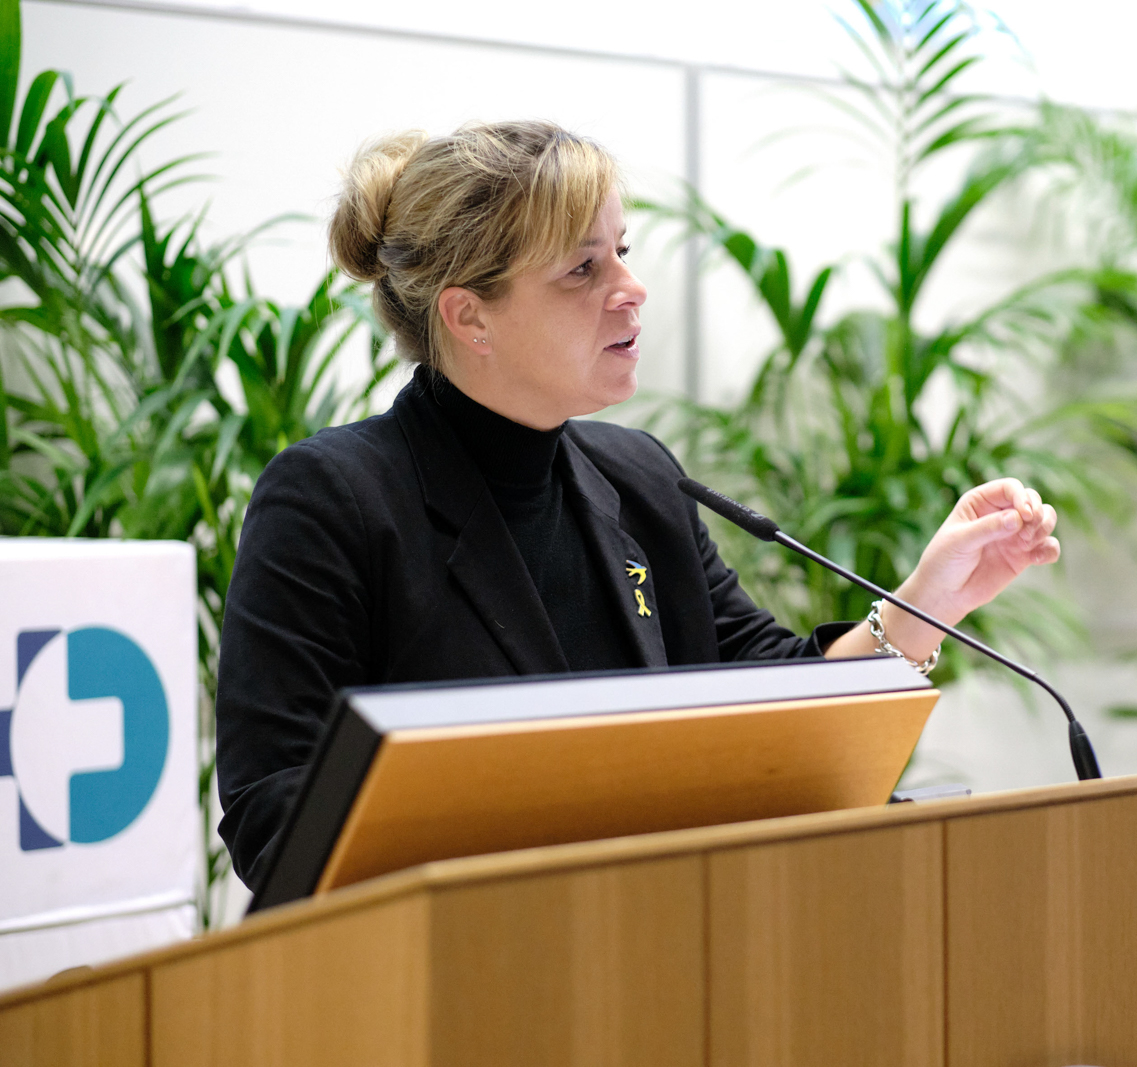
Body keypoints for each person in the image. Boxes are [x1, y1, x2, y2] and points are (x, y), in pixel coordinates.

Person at [215, 120, 1061, 892]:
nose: (632, 287)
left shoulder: (640, 479)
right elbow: (274, 816)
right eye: (583, 269)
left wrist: (925, 602)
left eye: (622, 250)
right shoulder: (334, 497)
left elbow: (782, 703)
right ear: (470, 316)